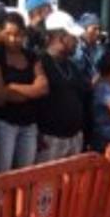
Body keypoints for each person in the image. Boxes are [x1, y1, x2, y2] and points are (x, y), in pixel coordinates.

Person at [0, 12, 45, 172]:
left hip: (29, 124)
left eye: (18, 34)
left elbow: (43, 87)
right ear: (0, 33)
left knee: (25, 174)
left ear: (24, 34)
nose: (13, 39)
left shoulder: (31, 56)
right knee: (2, 173)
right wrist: (31, 91)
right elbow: (1, 96)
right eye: (8, 34)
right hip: (4, 124)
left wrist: (12, 86)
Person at [35, 11, 88, 163]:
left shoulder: (71, 65)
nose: (77, 42)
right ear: (61, 38)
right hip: (50, 140)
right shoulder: (40, 62)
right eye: (73, 38)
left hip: (74, 138)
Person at [74, 12, 104, 81]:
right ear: (83, 30)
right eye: (94, 29)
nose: (98, 32)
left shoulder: (99, 49)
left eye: (99, 29)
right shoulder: (75, 48)